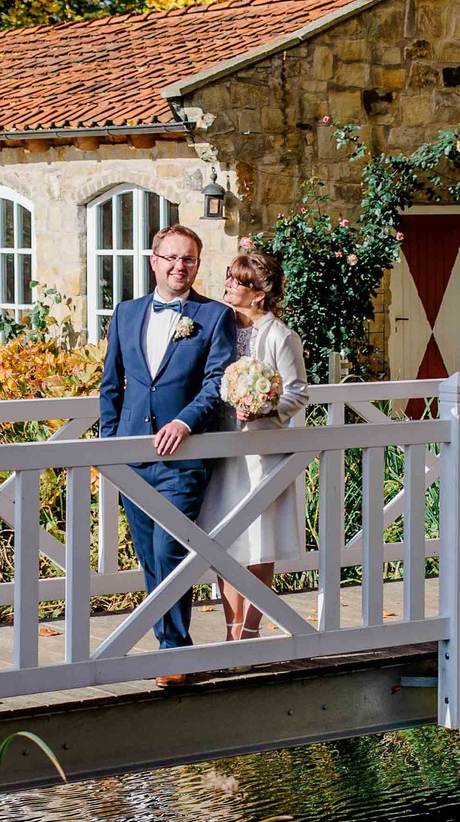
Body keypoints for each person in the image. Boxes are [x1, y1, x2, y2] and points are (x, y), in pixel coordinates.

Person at [94, 223, 236, 673]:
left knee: (169, 548)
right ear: (154, 261)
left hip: (184, 456)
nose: (180, 267)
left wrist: (184, 421)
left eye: (188, 259)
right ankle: (168, 640)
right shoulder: (127, 312)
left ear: (198, 264)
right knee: (147, 553)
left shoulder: (214, 317)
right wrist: (111, 444)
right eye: (171, 258)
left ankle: (173, 651)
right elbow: (110, 385)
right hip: (132, 456)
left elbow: (217, 383)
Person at [202, 246, 308, 641]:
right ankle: (230, 630)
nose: (228, 284)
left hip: (263, 452)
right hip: (224, 447)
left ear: (258, 293)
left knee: (259, 542)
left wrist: (263, 407)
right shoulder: (220, 326)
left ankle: (249, 631)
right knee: (224, 540)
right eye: (228, 276)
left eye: (237, 280)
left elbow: (297, 393)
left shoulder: (281, 336)